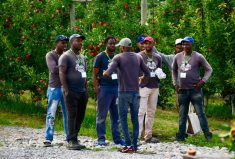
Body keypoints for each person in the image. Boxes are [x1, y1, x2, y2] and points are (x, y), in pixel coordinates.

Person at [103, 38, 150, 153]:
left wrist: (105, 73)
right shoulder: (138, 57)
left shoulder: (118, 57)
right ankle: (134, 145)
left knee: (123, 119)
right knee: (135, 119)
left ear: (123, 47)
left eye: (120, 47)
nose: (119, 48)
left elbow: (108, 72)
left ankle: (127, 144)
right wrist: (142, 79)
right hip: (135, 93)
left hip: (123, 93)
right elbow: (147, 72)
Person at [172, 36, 213, 141]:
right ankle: (181, 136)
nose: (185, 46)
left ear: (192, 44)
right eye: (183, 44)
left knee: (200, 113)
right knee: (182, 114)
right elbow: (174, 71)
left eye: (187, 44)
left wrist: (203, 81)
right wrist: (175, 84)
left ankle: (207, 135)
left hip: (195, 90)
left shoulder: (198, 56)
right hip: (182, 90)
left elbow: (209, 69)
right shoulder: (177, 57)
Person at [93, 36, 124, 146]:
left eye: (114, 44)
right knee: (102, 115)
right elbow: (95, 74)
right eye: (110, 43)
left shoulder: (117, 57)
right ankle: (101, 138)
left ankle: (117, 139)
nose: (112, 45)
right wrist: (97, 88)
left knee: (116, 116)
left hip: (116, 88)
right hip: (104, 88)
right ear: (106, 44)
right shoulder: (100, 57)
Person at [59, 34, 88, 150]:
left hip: (82, 91)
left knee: (80, 115)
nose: (80, 43)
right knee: (72, 115)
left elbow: (85, 73)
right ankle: (71, 140)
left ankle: (75, 137)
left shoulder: (83, 57)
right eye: (78, 41)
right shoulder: (65, 56)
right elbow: (61, 72)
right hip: (71, 90)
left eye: (81, 41)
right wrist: (65, 89)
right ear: (72, 42)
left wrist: (85, 88)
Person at [43, 35, 69, 147]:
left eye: (65, 43)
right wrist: (65, 67)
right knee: (51, 113)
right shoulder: (50, 55)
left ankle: (69, 137)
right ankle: (48, 138)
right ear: (56, 43)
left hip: (66, 88)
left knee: (67, 113)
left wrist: (63, 67)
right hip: (54, 88)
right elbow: (53, 69)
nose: (64, 45)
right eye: (62, 43)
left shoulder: (67, 55)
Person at [138, 36, 162, 143]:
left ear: (153, 44)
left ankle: (148, 135)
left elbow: (159, 69)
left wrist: (161, 75)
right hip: (143, 86)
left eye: (149, 43)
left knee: (151, 112)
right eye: (145, 43)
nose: (147, 45)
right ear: (143, 44)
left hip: (154, 86)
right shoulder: (139, 56)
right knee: (141, 111)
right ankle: (137, 135)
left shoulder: (158, 57)